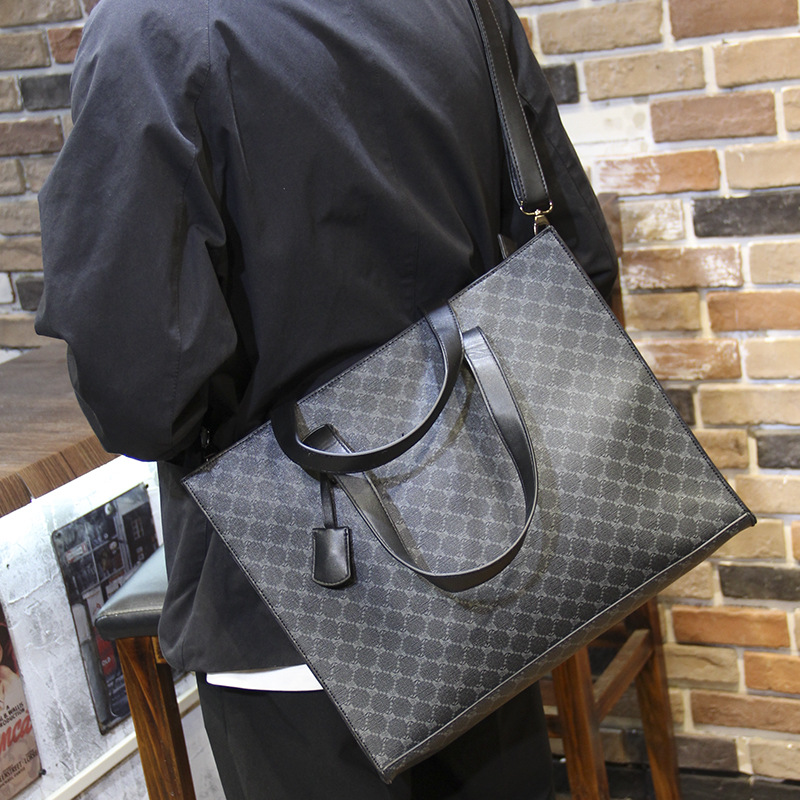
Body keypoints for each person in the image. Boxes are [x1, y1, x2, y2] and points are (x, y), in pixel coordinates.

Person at [36, 0, 618, 796]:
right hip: (488, 559)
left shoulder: (148, 29)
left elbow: (142, 394)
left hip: (290, 603)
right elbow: (579, 260)